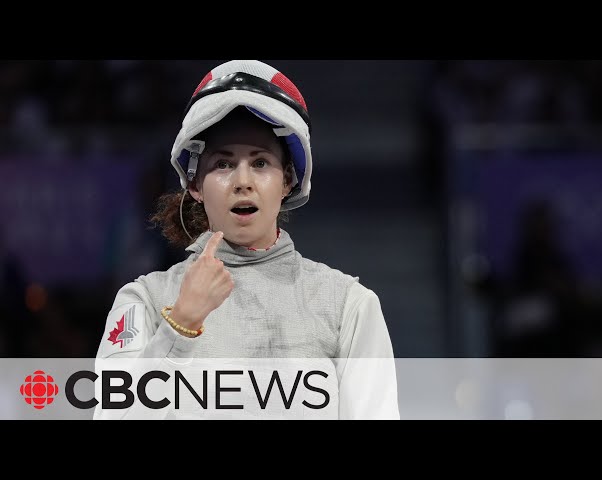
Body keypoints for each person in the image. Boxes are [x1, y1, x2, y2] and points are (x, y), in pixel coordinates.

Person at [94, 60, 399, 420]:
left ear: (287, 181)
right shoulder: (144, 301)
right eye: (222, 165)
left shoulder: (347, 307)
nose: (243, 181)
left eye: (260, 163)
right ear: (195, 185)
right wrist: (181, 324)